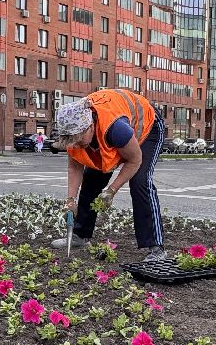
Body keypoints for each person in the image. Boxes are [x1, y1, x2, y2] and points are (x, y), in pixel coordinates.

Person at [49, 88, 166, 260]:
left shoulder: (116, 129)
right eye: (73, 142)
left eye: (79, 140)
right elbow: (75, 168)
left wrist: (111, 191)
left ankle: (156, 246)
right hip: (114, 129)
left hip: (148, 126)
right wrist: (71, 200)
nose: (78, 145)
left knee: (140, 181)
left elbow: (134, 161)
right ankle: (81, 236)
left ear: (90, 127)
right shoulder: (75, 133)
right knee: (92, 178)